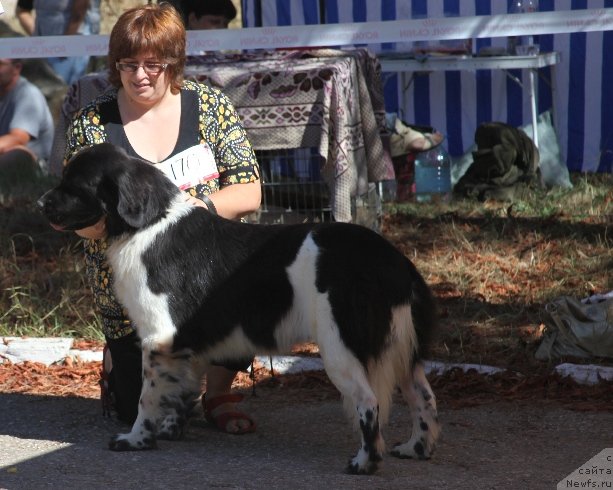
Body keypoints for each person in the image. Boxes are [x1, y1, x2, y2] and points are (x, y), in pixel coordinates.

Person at [63, 3, 261, 433]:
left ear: (174, 62)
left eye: (153, 64)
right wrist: (93, 224)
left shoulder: (210, 107)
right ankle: (120, 362)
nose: (140, 75)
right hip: (135, 289)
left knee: (241, 283)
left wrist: (192, 213)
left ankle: (220, 389)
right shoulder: (93, 121)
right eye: (128, 64)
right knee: (141, 414)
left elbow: (249, 191)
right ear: (115, 65)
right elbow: (81, 212)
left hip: (209, 269)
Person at [15, 0, 101, 86]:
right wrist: (38, 38)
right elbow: (22, 11)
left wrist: (64, 46)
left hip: (71, 48)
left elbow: (78, 14)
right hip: (43, 50)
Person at [0, 57, 54, 186]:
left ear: (17, 68)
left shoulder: (28, 94)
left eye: (0, 64)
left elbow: (18, 139)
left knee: (18, 153)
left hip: (37, 171)